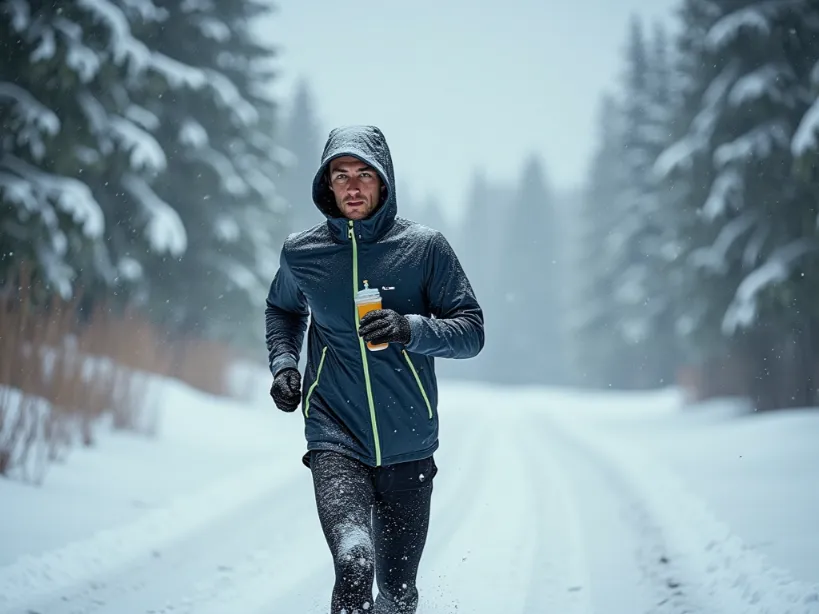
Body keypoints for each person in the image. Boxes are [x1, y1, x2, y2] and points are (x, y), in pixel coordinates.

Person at [265, 125, 484, 613]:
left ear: (384, 182)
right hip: (334, 432)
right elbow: (282, 309)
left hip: (409, 438)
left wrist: (410, 329)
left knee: (398, 593)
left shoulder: (425, 248)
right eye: (341, 175)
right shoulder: (303, 252)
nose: (353, 185)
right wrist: (284, 365)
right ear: (327, 184)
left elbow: (471, 332)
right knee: (354, 562)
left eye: (365, 173)